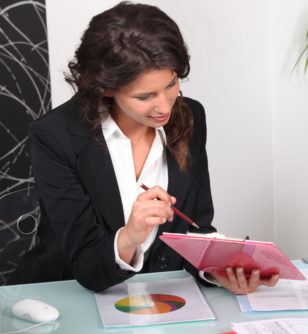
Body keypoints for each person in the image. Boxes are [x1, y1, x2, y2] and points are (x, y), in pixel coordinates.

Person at [9, 1, 278, 294]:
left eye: (172, 83)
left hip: (160, 300)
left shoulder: (191, 116)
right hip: (64, 296)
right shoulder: (56, 135)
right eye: (145, 96)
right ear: (106, 88)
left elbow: (196, 226)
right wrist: (129, 237)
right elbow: (83, 264)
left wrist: (216, 270)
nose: (165, 106)